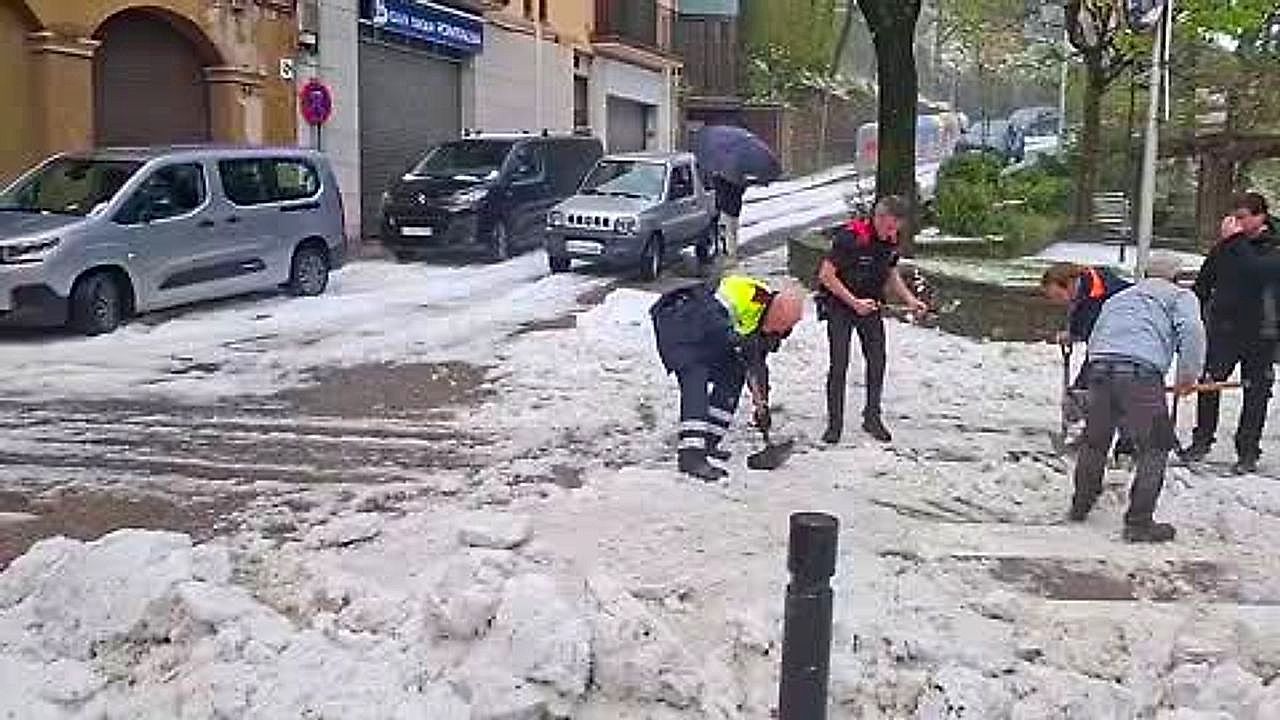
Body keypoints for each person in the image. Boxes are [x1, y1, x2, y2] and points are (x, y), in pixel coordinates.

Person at [1071, 253, 1205, 543]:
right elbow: (1192, 332)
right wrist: (1187, 376)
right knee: (1155, 445)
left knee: (1095, 441)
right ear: (1176, 277)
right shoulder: (1180, 297)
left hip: (1100, 368)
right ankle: (1139, 522)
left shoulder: (1121, 297)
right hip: (1140, 374)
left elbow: (1097, 335)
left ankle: (1080, 504)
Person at [650, 275, 804, 481]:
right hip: (682, 321)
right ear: (775, 311)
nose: (777, 332)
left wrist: (762, 403)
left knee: (733, 373)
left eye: (783, 330)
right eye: (778, 326)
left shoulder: (770, 318)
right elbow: (708, 315)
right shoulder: (744, 294)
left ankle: (709, 442)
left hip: (710, 336)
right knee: (695, 377)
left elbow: (756, 364)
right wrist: (737, 340)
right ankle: (691, 456)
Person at [1180, 192, 1280, 474]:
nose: (1235, 223)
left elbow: (1258, 272)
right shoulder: (1227, 247)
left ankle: (1248, 450)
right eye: (1233, 217)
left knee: (1257, 392)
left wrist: (1233, 241)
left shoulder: (1273, 246)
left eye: (1242, 217)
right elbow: (1203, 284)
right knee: (1209, 384)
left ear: (1260, 217)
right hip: (1224, 329)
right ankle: (1201, 440)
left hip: (1263, 331)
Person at [817, 195, 928, 444]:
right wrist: (854, 303)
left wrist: (909, 299)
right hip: (840, 304)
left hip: (871, 304)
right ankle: (834, 424)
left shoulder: (890, 239)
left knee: (877, 361)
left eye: (895, 228)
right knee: (839, 364)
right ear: (877, 217)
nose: (891, 232)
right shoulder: (851, 237)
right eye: (888, 226)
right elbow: (826, 275)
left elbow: (890, 271)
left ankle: (872, 416)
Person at [1040, 262, 1135, 456]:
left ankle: (1125, 447)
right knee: (1085, 390)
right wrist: (1073, 333)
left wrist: (1077, 333)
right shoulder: (1085, 289)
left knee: (1111, 392)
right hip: (1103, 348)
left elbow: (1096, 320)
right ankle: (1089, 435)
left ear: (1070, 283)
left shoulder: (1105, 290)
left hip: (1127, 348)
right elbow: (1083, 316)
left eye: (1058, 296)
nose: (1057, 301)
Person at [712, 174, 747, 262]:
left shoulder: (719, 178)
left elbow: (718, 190)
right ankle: (731, 251)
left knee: (728, 231)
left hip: (726, 208)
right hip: (734, 208)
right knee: (732, 231)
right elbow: (742, 189)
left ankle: (730, 252)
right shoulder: (736, 177)